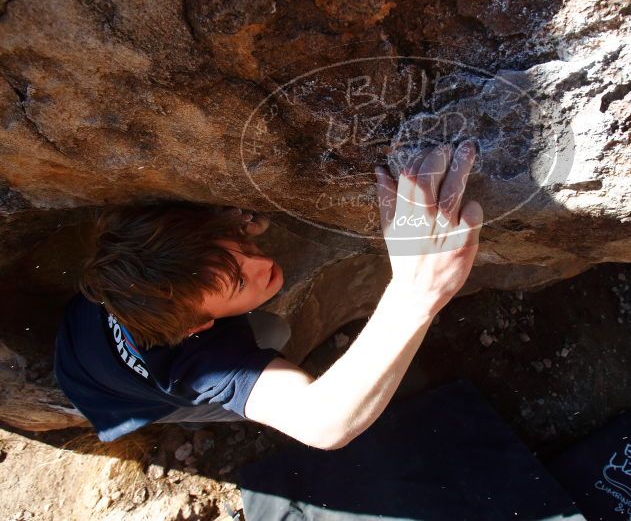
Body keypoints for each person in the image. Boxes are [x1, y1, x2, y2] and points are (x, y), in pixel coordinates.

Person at [53, 141, 483, 448]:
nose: (265, 267)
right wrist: (415, 293)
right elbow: (325, 423)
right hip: (112, 399)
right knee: (273, 332)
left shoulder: (130, 272)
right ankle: (189, 421)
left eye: (239, 248)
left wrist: (223, 230)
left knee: (270, 328)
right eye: (239, 283)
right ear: (199, 325)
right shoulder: (200, 365)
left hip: (77, 341)